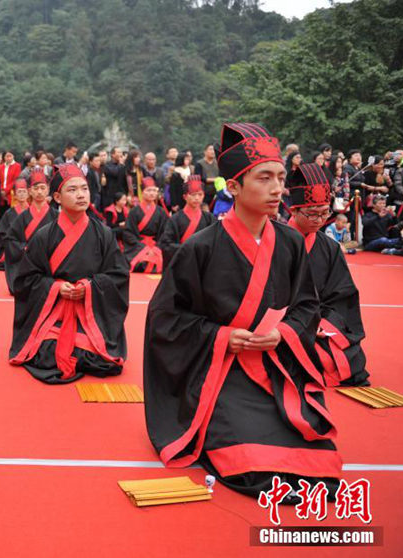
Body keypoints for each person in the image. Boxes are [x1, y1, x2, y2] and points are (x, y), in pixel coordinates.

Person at [144, 122, 341, 500]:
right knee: (250, 463)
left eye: (281, 178)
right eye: (264, 178)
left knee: (315, 457)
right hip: (219, 370)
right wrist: (220, 336)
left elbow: (306, 306)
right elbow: (165, 319)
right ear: (232, 187)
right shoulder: (199, 248)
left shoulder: (290, 243)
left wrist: (282, 333)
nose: (277, 189)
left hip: (275, 365)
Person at [8, 164, 128, 384]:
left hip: (90, 313)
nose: (81, 195)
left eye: (84, 188)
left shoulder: (104, 234)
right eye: (72, 190)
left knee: (97, 359)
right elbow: (25, 280)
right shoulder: (43, 236)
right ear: (57, 197)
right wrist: (54, 288)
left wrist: (90, 287)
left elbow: (118, 275)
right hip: (54, 310)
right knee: (47, 354)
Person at [287, 163, 369, 387]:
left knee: (351, 360)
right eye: (312, 214)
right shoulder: (274, 240)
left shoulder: (330, 248)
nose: (319, 220)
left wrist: (326, 323)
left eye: (325, 213)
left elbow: (342, 293)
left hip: (320, 321)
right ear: (293, 210)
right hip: (285, 322)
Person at [4, 170, 57, 295]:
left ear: (48, 190)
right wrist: (24, 248)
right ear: (29, 191)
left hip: (50, 263)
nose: (39, 192)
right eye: (35, 188)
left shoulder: (56, 216)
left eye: (43, 188)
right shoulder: (22, 218)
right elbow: (10, 240)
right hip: (27, 261)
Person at [158, 175, 216, 269]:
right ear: (185, 196)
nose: (197, 198)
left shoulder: (210, 218)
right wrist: (187, 249)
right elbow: (166, 244)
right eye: (193, 195)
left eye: (200, 194)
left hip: (203, 264)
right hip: (181, 262)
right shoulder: (175, 219)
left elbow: (216, 241)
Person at [122, 177, 168, 273]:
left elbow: (165, 233)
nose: (152, 193)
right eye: (148, 190)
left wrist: (157, 247)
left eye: (154, 190)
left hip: (156, 245)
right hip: (138, 246)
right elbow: (128, 232)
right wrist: (143, 247)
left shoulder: (161, 212)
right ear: (142, 192)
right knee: (141, 263)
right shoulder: (134, 211)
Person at [0, 178, 29, 270]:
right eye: (19, 192)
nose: (22, 194)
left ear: (28, 194)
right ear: (15, 195)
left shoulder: (32, 211)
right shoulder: (9, 213)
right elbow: (2, 232)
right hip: (14, 244)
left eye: (24, 192)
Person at [102, 148, 126, 212]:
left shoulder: (123, 165)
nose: (121, 154)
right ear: (112, 155)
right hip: (111, 195)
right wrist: (121, 164)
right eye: (118, 152)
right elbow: (115, 173)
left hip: (122, 193)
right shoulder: (107, 165)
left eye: (121, 152)